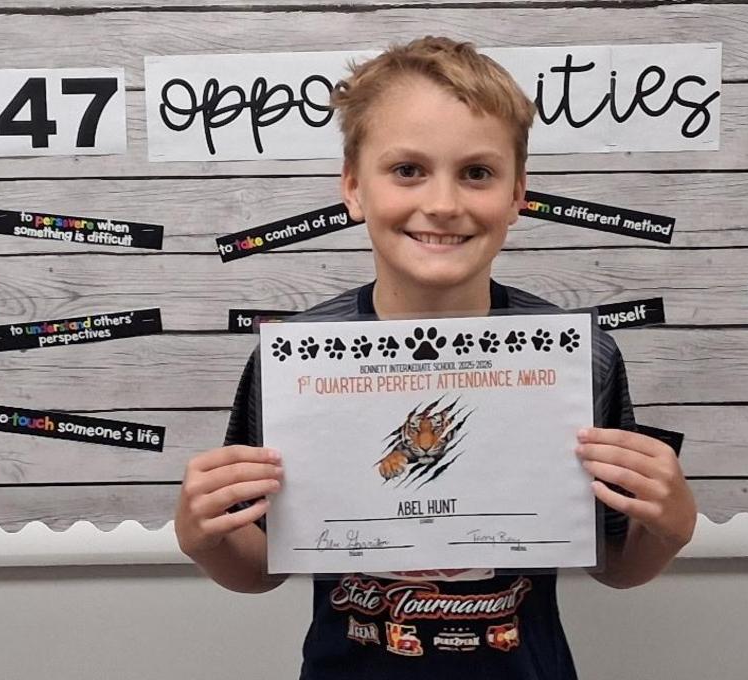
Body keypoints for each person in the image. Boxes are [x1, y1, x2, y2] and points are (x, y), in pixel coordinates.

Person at [173, 36, 697, 679]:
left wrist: (668, 528)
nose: (443, 204)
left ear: (516, 195)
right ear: (353, 188)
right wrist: (202, 538)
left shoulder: (581, 357)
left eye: (477, 172)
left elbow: (612, 563)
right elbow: (261, 567)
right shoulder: (298, 361)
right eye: (407, 170)